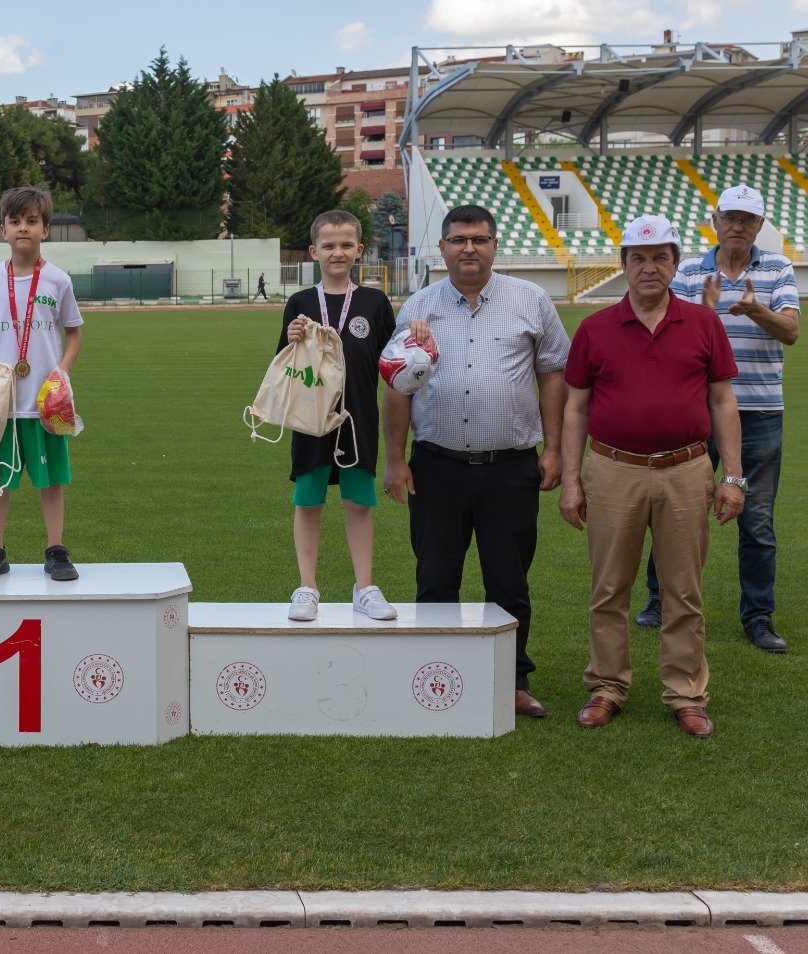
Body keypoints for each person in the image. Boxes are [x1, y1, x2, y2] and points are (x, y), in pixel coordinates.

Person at [559, 215, 744, 739]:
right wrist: (572, 481)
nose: (648, 267)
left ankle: (686, 692)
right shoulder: (595, 328)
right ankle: (607, 687)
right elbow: (576, 409)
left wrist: (733, 476)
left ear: (674, 264)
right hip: (612, 469)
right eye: (638, 258)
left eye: (659, 257)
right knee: (608, 588)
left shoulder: (704, 323)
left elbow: (722, 401)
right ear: (623, 266)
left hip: (686, 470)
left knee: (684, 591)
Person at [383, 203, 569, 720]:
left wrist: (552, 450)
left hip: (510, 467)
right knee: (436, 577)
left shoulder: (531, 300)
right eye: (459, 239)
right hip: (437, 467)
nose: (469, 248)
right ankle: (437, 675)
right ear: (441, 247)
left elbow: (554, 373)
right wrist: (395, 460)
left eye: (479, 239)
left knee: (508, 580)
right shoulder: (419, 307)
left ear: (494, 245)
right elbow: (397, 385)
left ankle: (512, 679)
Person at [637, 185, 798, 653]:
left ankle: (759, 616)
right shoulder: (688, 270)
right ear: (715, 219)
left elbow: (790, 331)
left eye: (747, 219)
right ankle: (658, 601)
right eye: (731, 217)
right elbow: (664, 332)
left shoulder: (778, 268)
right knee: (670, 513)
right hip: (694, 412)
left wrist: (755, 309)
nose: (738, 226)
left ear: (760, 225)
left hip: (760, 413)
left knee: (758, 522)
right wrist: (704, 313)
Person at [278, 211, 397, 620]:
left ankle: (364, 588)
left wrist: (419, 338)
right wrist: (291, 341)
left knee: (358, 502)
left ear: (359, 251)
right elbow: (283, 368)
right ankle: (307, 588)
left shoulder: (374, 303)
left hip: (358, 420)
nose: (338, 252)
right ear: (314, 252)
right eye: (328, 245)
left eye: (346, 245)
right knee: (308, 501)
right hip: (311, 419)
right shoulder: (301, 303)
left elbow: (395, 363)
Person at [0, 186, 84, 582]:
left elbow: (75, 332)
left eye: (32, 221)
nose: (23, 228)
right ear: (2, 230)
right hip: (2, 400)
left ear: (46, 229)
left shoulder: (58, 280)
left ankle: (56, 549)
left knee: (50, 481)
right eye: (15, 221)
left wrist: (61, 371)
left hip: (44, 401)